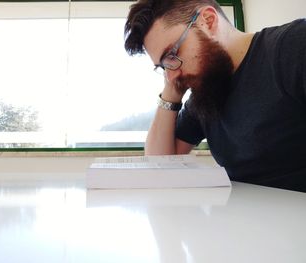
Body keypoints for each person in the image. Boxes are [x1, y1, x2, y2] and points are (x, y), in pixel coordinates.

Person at [124, 0, 306, 192]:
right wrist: (171, 92)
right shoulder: (206, 91)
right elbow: (159, 166)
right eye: (163, 66)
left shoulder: (292, 46)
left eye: (172, 54)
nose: (170, 75)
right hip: (242, 217)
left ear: (208, 21)